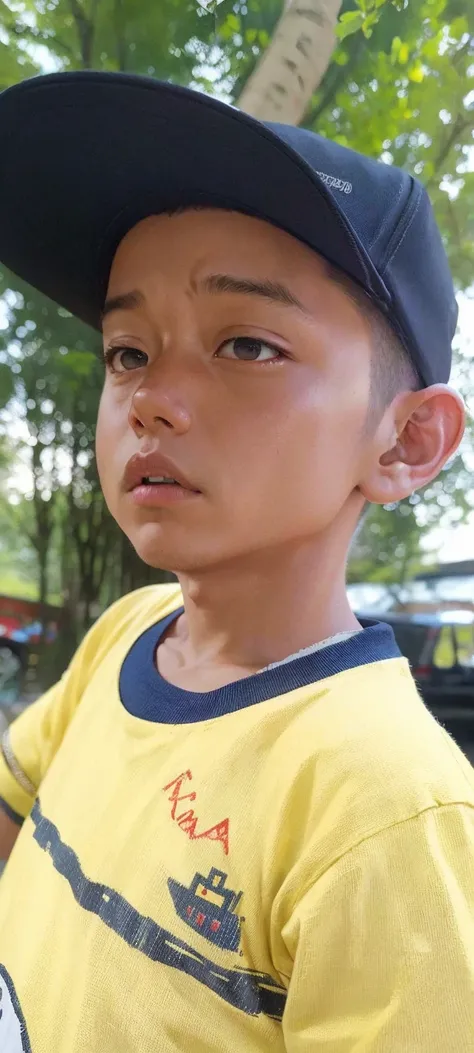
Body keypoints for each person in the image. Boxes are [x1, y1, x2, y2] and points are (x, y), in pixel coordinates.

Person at [0, 71, 472, 1053]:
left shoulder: (385, 809)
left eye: (246, 344)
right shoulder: (127, 636)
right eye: (128, 351)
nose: (151, 399)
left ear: (406, 444)